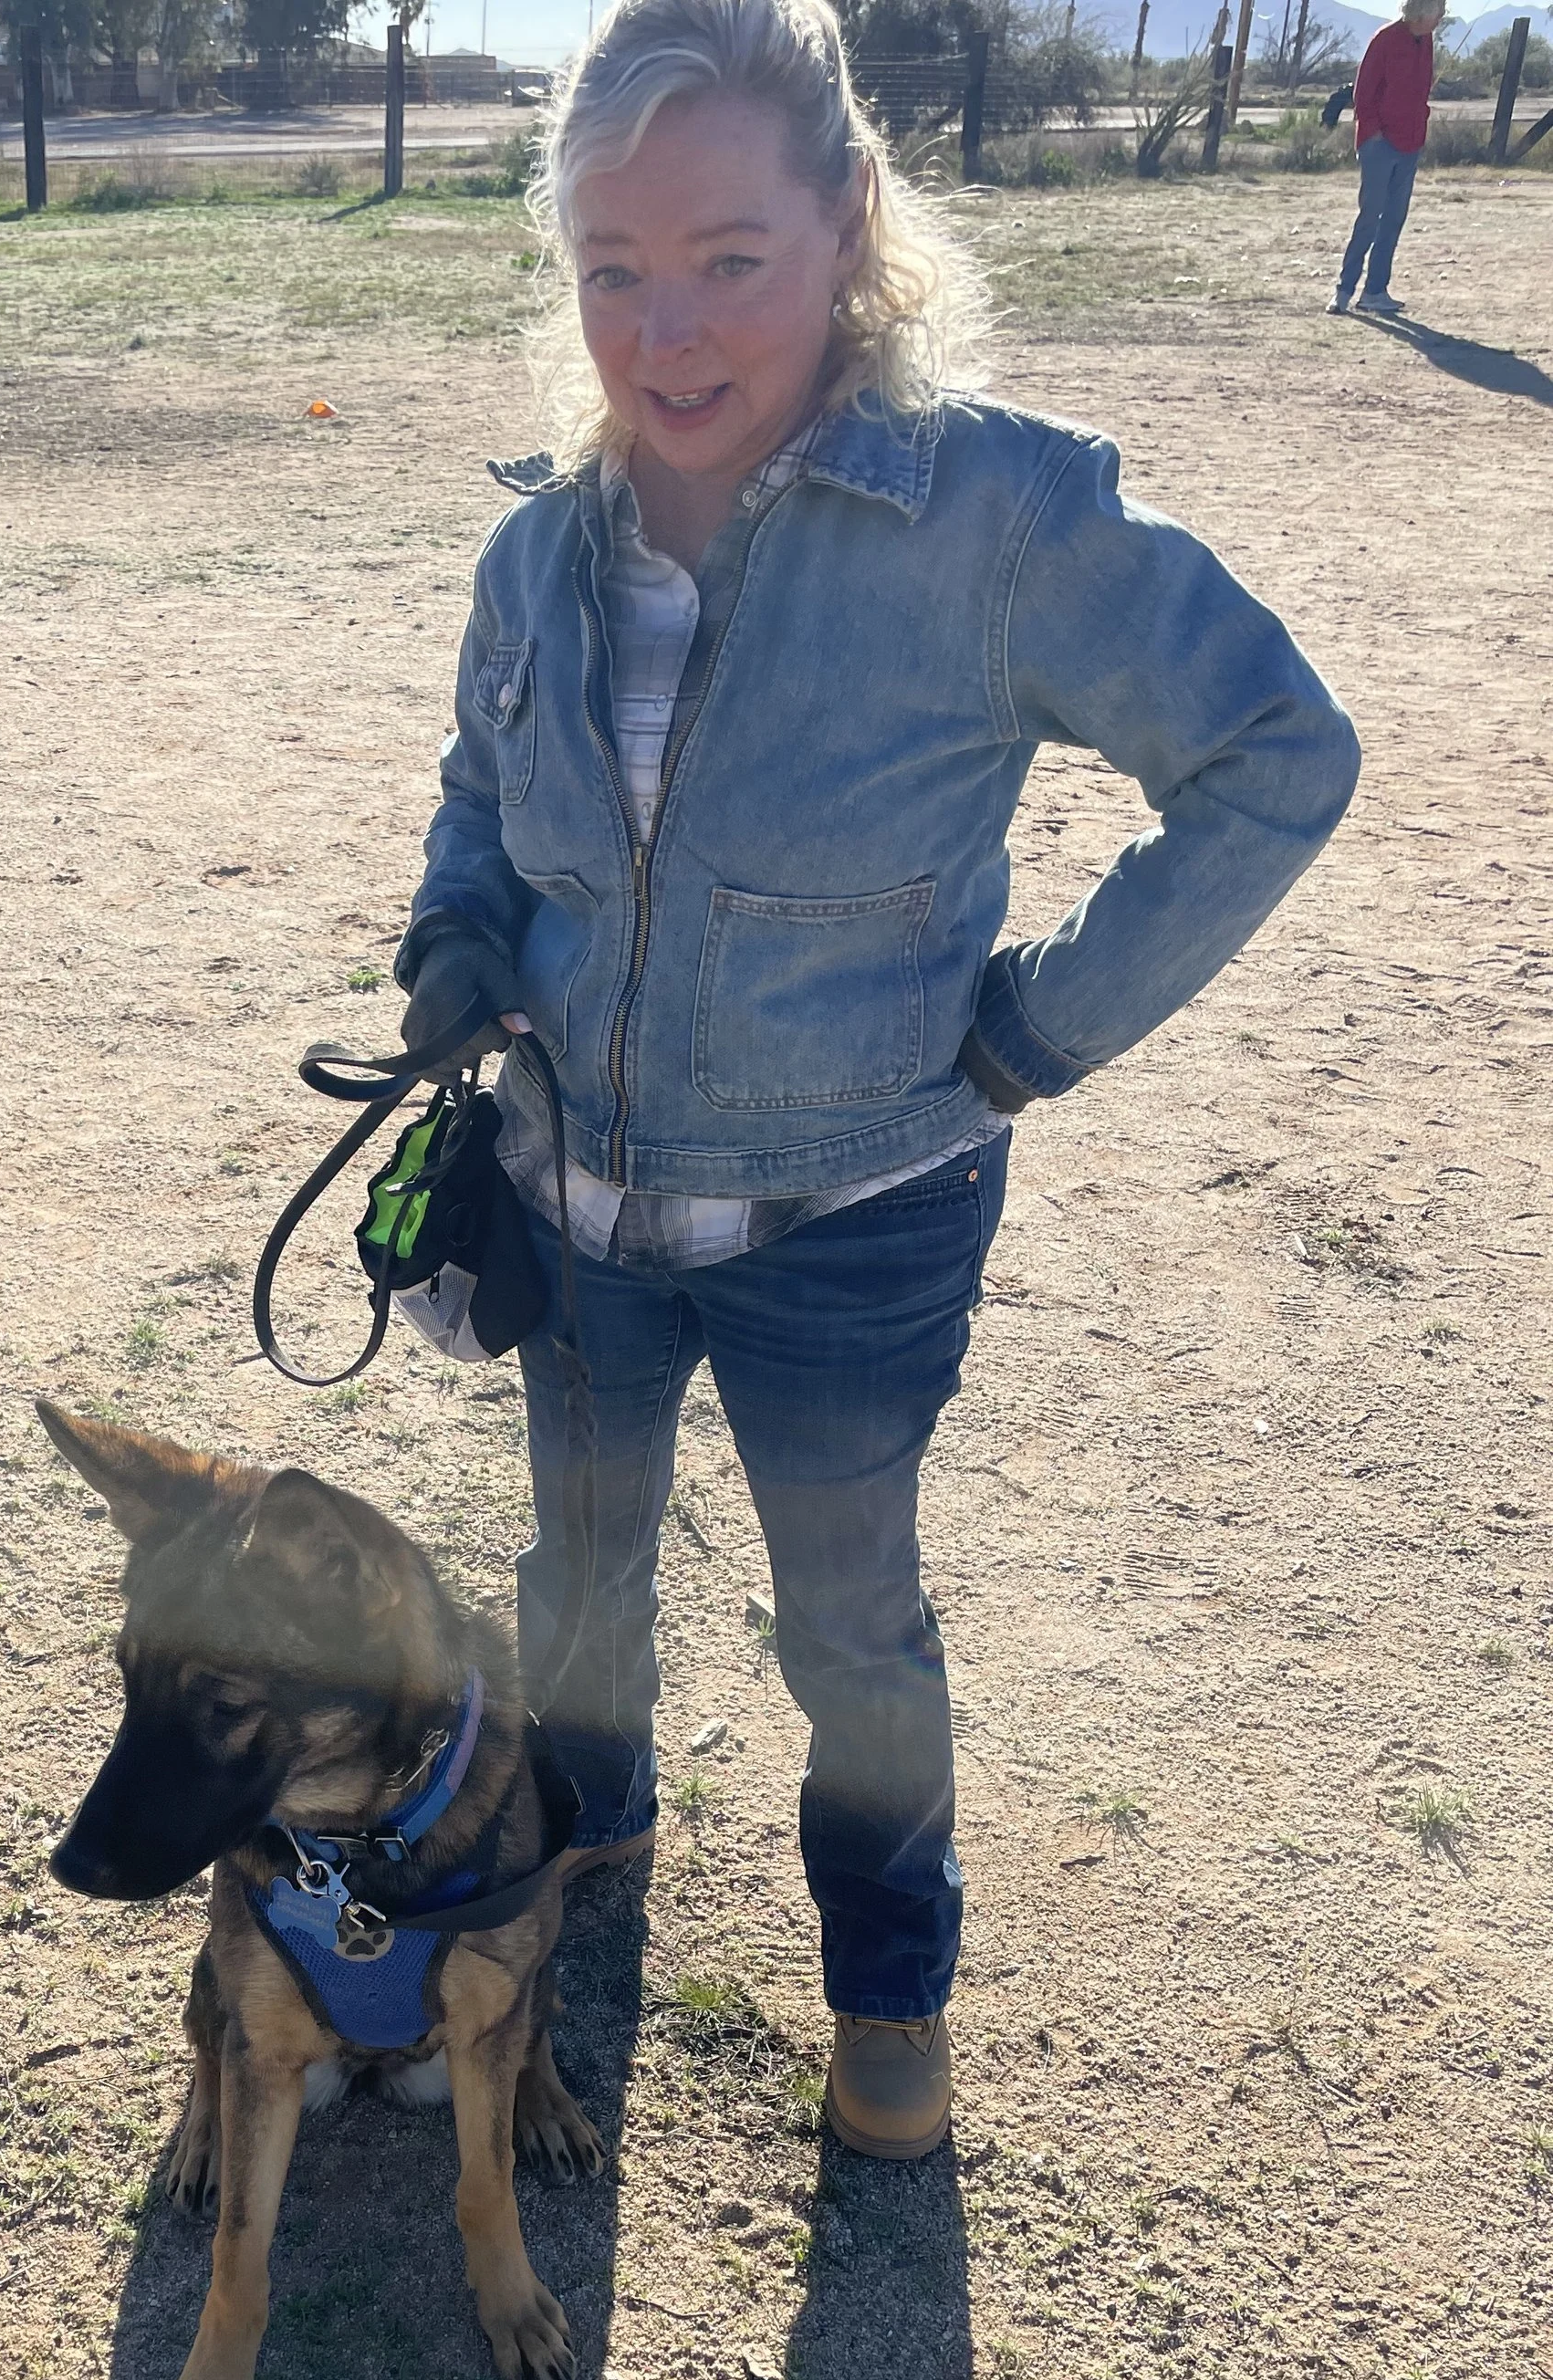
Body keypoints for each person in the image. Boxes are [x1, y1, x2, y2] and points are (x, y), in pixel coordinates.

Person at [394, 0, 1359, 2162]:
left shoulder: (997, 518)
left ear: (848, 221)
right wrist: (461, 935)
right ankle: (591, 1844)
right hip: (573, 1205)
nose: (668, 328)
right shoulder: (532, 544)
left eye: (731, 254)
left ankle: (890, 1985)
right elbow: (482, 788)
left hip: (855, 1224)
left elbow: (1277, 759)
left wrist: (1036, 1033)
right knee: (578, 1584)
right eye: (614, 266)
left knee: (850, 1624)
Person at [1329, 0, 1442, 317]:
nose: (1442, 15)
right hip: (1380, 144)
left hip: (1411, 142)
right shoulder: (1386, 38)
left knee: (1394, 218)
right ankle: (1344, 290)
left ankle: (1375, 291)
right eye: (1439, 7)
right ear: (1422, 9)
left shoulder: (1427, 40)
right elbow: (1362, 95)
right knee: (1370, 217)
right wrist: (1375, 133)